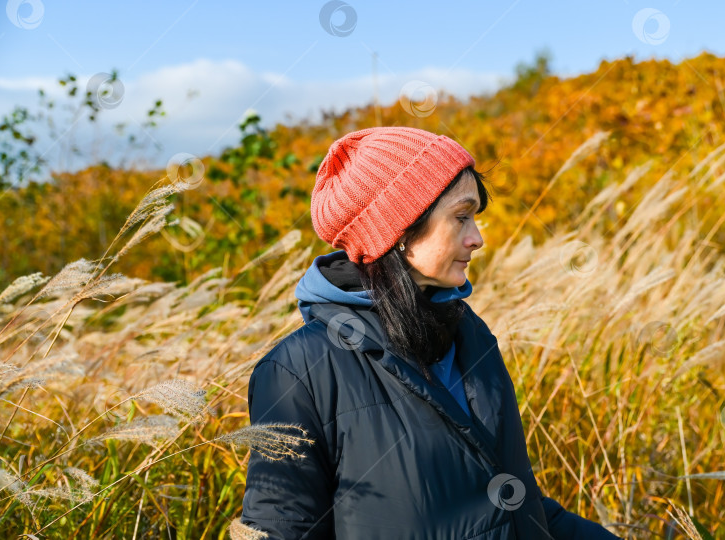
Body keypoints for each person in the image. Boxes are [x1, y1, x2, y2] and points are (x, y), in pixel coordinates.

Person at [241, 126, 622, 539]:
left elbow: (518, 508)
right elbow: (282, 528)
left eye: (475, 218)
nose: (477, 239)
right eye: (461, 217)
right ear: (400, 230)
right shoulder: (298, 372)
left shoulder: (469, 334)